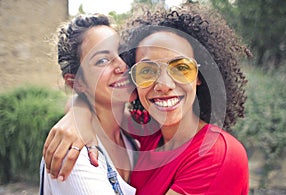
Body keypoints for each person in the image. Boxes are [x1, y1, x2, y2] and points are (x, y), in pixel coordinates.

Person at [43, 5, 251, 194]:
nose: (164, 84)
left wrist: (77, 113)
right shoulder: (143, 134)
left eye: (180, 68)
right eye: (147, 70)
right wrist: (78, 112)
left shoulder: (218, 155)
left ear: (198, 76)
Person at [40, 13, 137, 194]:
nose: (122, 65)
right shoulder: (76, 155)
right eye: (102, 60)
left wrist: (78, 110)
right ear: (76, 82)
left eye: (122, 52)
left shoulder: (133, 140)